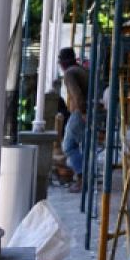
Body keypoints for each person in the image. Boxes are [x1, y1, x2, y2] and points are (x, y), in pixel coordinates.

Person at [58, 47, 88, 192]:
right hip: (89, 110)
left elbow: (77, 96)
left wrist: (82, 112)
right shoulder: (80, 70)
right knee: (85, 146)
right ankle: (84, 176)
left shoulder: (69, 74)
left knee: (68, 145)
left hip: (82, 112)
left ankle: (83, 179)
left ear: (62, 62)